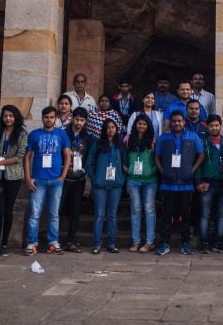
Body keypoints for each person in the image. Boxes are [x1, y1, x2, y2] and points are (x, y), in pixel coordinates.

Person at [154, 110, 205, 255]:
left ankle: (185, 243)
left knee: (185, 216)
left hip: (186, 184)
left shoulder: (192, 136)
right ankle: (165, 243)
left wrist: (192, 170)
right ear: (171, 122)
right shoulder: (163, 138)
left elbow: (201, 154)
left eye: (179, 121)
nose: (177, 123)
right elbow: (156, 156)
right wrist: (162, 170)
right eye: (174, 121)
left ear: (184, 122)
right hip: (167, 184)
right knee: (166, 216)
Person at [23, 106, 71, 256]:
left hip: (56, 180)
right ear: (42, 118)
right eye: (46, 117)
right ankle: (32, 243)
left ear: (55, 118)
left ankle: (53, 242)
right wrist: (28, 177)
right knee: (35, 213)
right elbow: (27, 157)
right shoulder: (34, 134)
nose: (48, 120)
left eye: (51, 117)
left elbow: (68, 156)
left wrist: (63, 176)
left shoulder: (62, 134)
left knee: (54, 214)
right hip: (38, 180)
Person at [0, 104, 27, 256]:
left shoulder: (22, 134)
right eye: (5, 116)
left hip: (14, 176)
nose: (8, 118)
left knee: (8, 210)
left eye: (11, 116)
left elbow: (19, 157)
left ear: (15, 117)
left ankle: (4, 244)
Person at [87, 118, 125, 254]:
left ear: (117, 129)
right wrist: (94, 178)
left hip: (115, 185)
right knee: (99, 215)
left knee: (112, 215)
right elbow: (89, 162)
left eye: (113, 127)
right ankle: (97, 244)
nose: (111, 130)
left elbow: (125, 163)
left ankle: (112, 244)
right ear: (104, 129)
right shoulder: (97, 144)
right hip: (100, 185)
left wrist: (122, 177)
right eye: (108, 127)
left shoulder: (120, 145)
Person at [123, 113, 158, 252]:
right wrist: (128, 170)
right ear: (135, 125)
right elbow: (123, 158)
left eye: (144, 124)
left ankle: (150, 242)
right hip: (133, 180)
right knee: (135, 209)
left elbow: (158, 159)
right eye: (139, 123)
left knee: (149, 209)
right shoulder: (128, 139)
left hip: (150, 181)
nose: (141, 126)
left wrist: (152, 170)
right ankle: (136, 241)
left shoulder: (153, 140)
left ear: (148, 126)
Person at [195, 114, 223, 253]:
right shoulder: (202, 143)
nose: (214, 128)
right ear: (207, 127)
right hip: (207, 183)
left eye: (216, 125)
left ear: (220, 126)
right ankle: (204, 243)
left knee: (220, 215)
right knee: (205, 214)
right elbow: (197, 163)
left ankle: (218, 243)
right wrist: (198, 182)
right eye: (211, 126)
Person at [61, 107, 91, 252]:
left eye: (82, 120)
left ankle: (71, 240)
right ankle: (54, 240)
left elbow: (89, 156)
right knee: (58, 209)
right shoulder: (63, 133)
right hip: (63, 176)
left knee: (75, 210)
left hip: (79, 177)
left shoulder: (88, 137)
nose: (79, 122)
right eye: (77, 119)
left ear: (85, 121)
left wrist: (85, 170)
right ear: (72, 118)